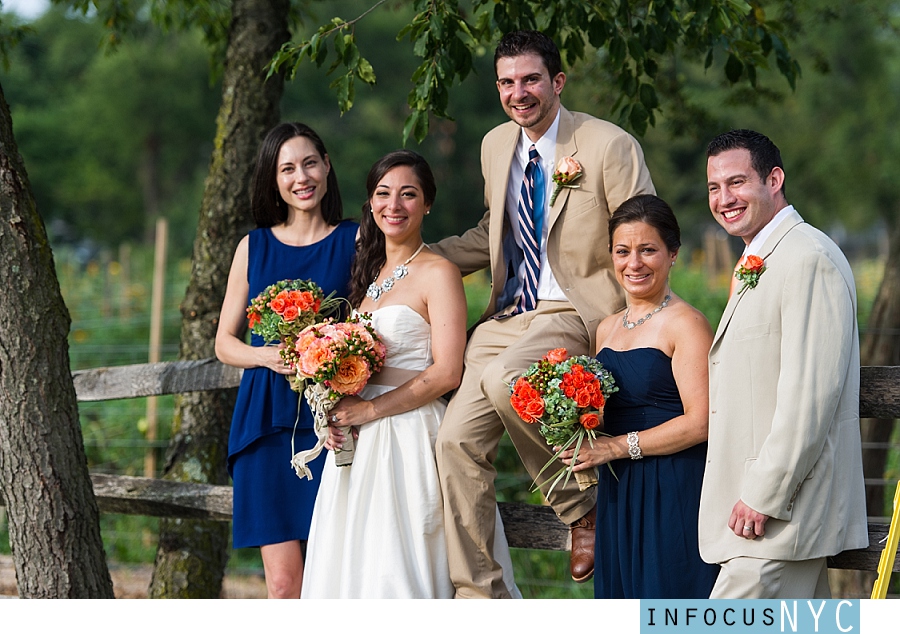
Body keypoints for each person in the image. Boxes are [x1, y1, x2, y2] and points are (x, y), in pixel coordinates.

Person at [429, 30, 655, 597]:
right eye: (507, 82)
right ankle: (481, 596)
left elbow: (640, 230)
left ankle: (581, 510)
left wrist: (642, 322)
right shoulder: (493, 145)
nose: (518, 92)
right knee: (453, 441)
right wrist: (418, 259)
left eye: (530, 79)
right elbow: (492, 233)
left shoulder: (608, 144)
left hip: (571, 310)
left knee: (511, 381)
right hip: (505, 312)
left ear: (556, 81)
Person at [300, 150, 521, 598]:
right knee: (352, 569)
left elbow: (446, 371)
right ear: (371, 202)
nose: (394, 205)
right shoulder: (369, 276)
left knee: (400, 570)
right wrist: (336, 412)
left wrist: (369, 409)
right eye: (383, 194)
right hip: (359, 447)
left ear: (427, 204)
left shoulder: (439, 272)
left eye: (408, 194)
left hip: (410, 437)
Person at [698, 129, 868, 598]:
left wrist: (764, 493)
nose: (724, 198)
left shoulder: (808, 258)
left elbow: (810, 397)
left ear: (774, 179)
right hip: (765, 521)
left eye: (737, 182)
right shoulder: (758, 258)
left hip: (777, 516)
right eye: (714, 187)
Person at [215, 122, 358, 598]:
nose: (302, 177)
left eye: (310, 163)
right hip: (263, 424)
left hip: (332, 422)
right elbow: (224, 343)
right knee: (282, 585)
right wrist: (266, 355)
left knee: (333, 574)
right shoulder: (253, 246)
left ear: (327, 165)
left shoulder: (356, 240)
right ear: (273, 180)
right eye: (288, 168)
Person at [558, 194, 720, 598]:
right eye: (623, 251)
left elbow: (701, 421)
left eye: (648, 250)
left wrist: (615, 448)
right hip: (619, 492)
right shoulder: (606, 328)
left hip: (672, 487)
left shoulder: (687, 325)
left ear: (673, 254)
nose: (634, 263)